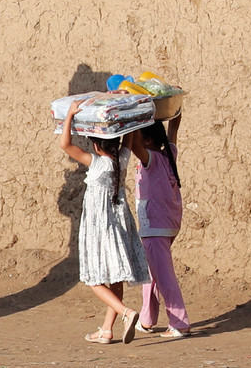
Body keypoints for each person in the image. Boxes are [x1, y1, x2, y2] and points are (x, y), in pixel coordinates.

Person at [59, 98, 150, 344]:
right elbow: (128, 135)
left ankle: (126, 312)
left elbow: (65, 143)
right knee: (116, 276)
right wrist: (127, 110)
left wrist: (69, 115)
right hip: (119, 225)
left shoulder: (97, 163)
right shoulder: (122, 159)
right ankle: (107, 330)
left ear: (97, 145)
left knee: (95, 279)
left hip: (100, 228)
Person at [128, 112, 191, 338]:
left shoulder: (151, 159)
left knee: (163, 276)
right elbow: (173, 128)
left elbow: (134, 144)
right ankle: (147, 319)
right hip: (168, 225)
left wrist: (132, 116)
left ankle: (180, 322)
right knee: (152, 273)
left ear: (146, 141)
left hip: (155, 228)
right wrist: (176, 110)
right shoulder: (169, 154)